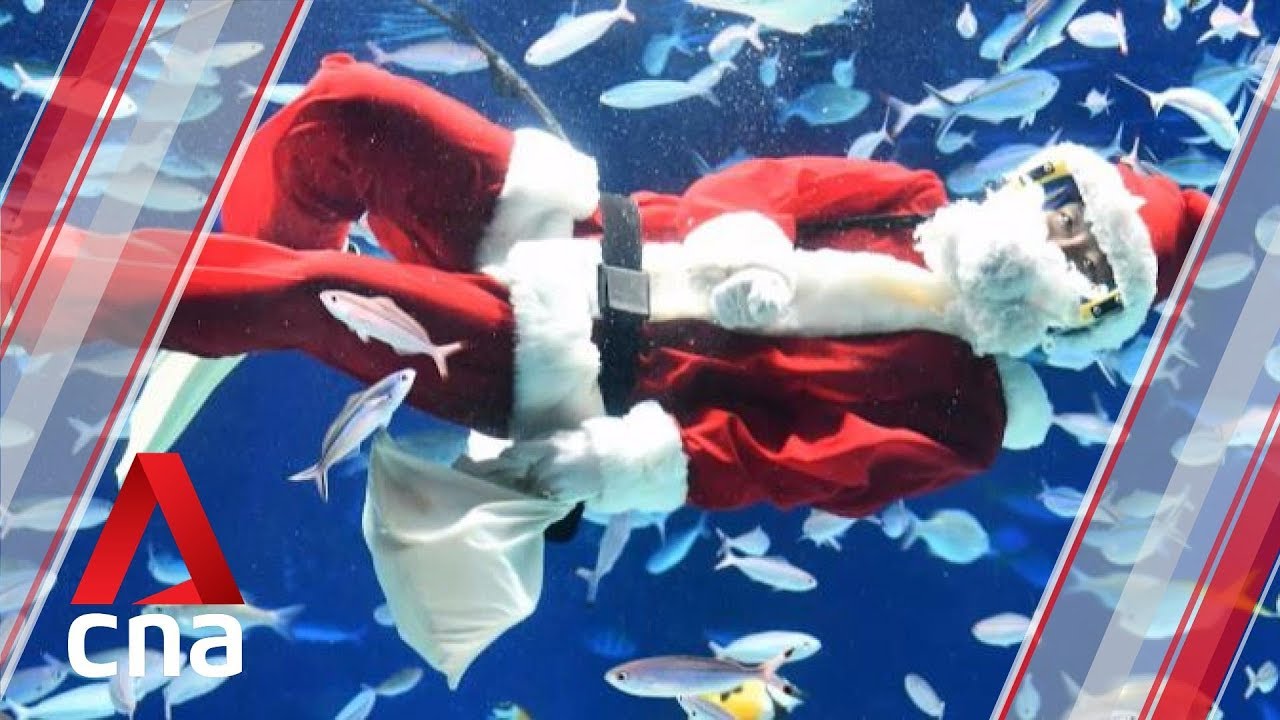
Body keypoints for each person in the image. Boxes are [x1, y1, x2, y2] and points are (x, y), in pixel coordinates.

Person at [0, 53, 1210, 685]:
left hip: (573, 367)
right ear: (1041, 178)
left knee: (319, 305)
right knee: (345, 111)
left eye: (1075, 258)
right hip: (578, 226)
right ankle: (173, 328)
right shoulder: (916, 201)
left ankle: (37, 291)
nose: (1040, 240)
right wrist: (742, 237)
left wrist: (630, 459)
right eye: (1059, 204)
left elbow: (789, 467)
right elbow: (772, 186)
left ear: (1084, 315)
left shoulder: (967, 415)